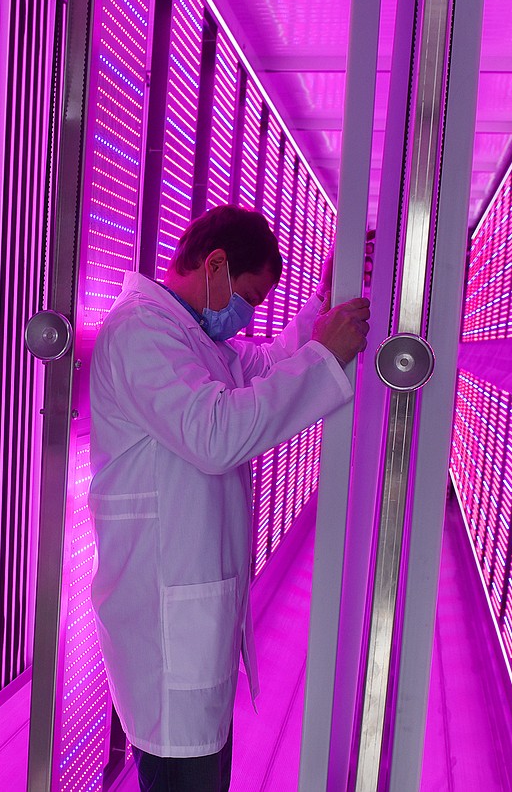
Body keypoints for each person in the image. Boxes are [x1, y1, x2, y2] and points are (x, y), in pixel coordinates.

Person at [89, 205, 370, 791]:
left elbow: (269, 365)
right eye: (248, 296)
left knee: (203, 768)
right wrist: (325, 359)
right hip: (164, 617)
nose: (246, 316)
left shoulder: (194, 337)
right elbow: (214, 434)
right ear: (213, 264)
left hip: (191, 614)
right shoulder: (142, 328)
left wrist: (324, 305)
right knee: (184, 770)